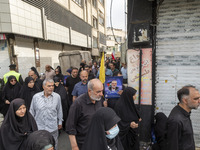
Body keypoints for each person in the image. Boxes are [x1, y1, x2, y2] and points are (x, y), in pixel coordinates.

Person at [66, 79, 103, 149]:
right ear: (89, 91)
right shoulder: (78, 104)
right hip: (83, 143)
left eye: (102, 91)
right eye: (98, 92)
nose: (101, 94)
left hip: (98, 141)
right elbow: (70, 127)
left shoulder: (99, 99)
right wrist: (74, 146)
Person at [29, 79, 63, 150]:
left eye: (52, 86)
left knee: (53, 146)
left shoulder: (57, 97)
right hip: (39, 128)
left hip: (52, 128)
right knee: (40, 147)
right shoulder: (36, 97)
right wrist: (31, 125)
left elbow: (59, 110)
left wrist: (60, 122)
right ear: (43, 87)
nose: (51, 88)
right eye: (49, 86)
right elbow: (31, 112)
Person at [166, 85, 200, 150]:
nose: (199, 101)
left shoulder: (184, 113)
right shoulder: (176, 120)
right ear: (185, 101)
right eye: (196, 99)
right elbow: (172, 146)